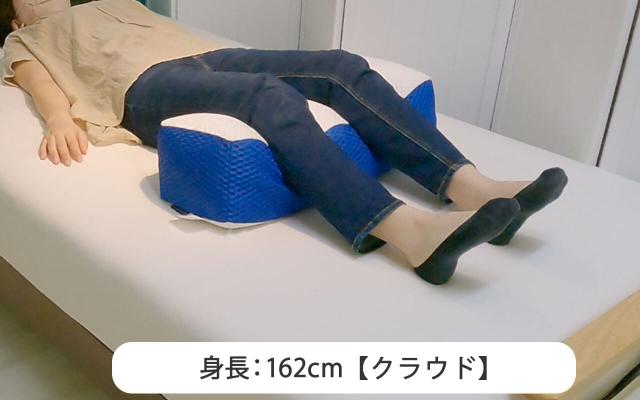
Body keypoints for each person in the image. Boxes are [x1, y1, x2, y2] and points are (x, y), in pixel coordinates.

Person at [0, 0, 568, 285]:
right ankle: (408, 232)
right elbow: (41, 85)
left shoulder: (114, 2)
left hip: (208, 55)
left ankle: (470, 186)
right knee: (265, 95)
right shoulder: (24, 40)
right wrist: (59, 119)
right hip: (141, 87)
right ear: (15, 14)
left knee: (338, 65)